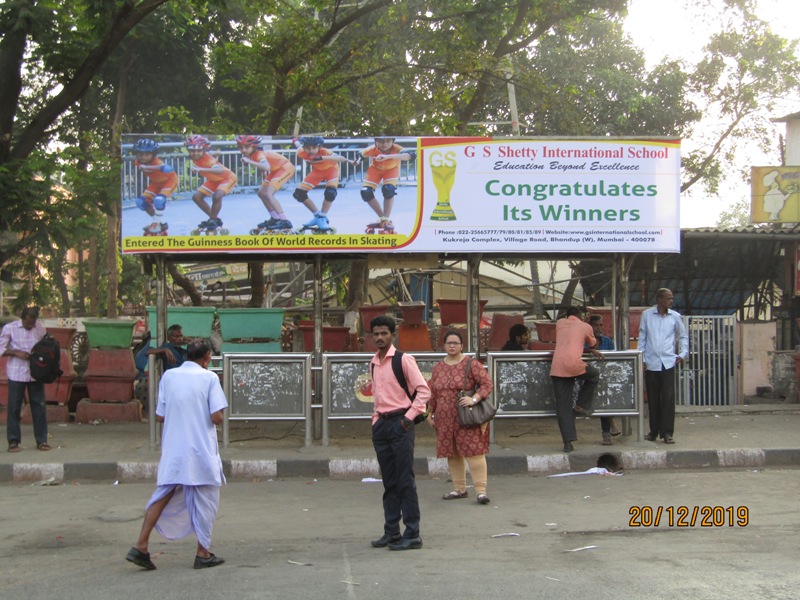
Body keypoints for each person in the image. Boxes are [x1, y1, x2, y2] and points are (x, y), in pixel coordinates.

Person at [126, 339, 227, 571]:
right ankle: (203, 552)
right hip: (200, 450)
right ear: (208, 357)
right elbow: (217, 417)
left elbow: (161, 415)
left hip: (174, 449)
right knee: (207, 499)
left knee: (161, 495)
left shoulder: (169, 377)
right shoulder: (210, 378)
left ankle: (140, 545)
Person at [368, 315, 430, 551]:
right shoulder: (373, 362)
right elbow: (377, 394)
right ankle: (391, 531)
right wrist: (375, 420)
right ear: (372, 336)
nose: (380, 337)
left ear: (392, 335)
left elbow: (424, 391)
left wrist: (407, 419)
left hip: (401, 423)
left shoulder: (404, 360)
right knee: (389, 481)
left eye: (384, 333)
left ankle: (412, 533)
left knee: (405, 480)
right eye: (376, 334)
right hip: (381, 425)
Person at [428, 330, 494, 504]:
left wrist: (474, 399)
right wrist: (430, 413)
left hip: (466, 416)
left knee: (474, 451)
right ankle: (459, 489)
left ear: (461, 345)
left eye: (455, 343)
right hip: (444, 418)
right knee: (452, 452)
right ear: (443, 345)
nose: (451, 346)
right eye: (449, 343)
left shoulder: (471, 364)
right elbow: (433, 393)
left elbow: (487, 384)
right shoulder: (438, 367)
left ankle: (481, 491)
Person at [637, 288, 689, 445]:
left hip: (668, 363)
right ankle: (653, 431)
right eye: (668, 298)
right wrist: (642, 358)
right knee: (653, 399)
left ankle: (667, 432)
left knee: (668, 398)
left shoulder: (675, 316)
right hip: (651, 363)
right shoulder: (647, 315)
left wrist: (682, 354)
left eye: (672, 298)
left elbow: (684, 336)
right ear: (659, 299)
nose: (671, 301)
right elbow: (642, 337)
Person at [550, 306, 601, 453]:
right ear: (581, 315)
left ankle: (568, 442)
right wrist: (591, 348)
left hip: (557, 367)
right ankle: (581, 404)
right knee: (594, 375)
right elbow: (593, 344)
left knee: (563, 407)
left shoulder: (560, 323)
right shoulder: (585, 326)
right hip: (574, 365)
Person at [1, 307, 49, 452]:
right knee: (15, 407)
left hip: (35, 373)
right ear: (22, 318)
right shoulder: (10, 328)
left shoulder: (40, 328)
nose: (31, 326)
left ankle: (42, 440)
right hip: (17, 373)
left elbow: (46, 347)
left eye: (33, 322)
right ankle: (13, 441)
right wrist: (16, 353)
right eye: (29, 323)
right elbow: (1, 349)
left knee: (39, 407)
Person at [293, 136, 360, 232]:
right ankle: (318, 217)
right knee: (298, 194)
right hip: (317, 171)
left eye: (314, 148)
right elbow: (298, 145)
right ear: (304, 148)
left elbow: (339, 158)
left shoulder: (324, 152)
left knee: (330, 193)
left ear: (319, 147)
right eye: (308, 148)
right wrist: (295, 140)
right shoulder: (301, 152)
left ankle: (323, 216)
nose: (311, 151)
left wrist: (320, 157)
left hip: (331, 170)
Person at [236, 135, 296, 232]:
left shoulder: (259, 154)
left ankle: (285, 221)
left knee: (268, 193)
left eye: (246, 147)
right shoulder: (252, 154)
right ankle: (275, 218)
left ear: (254, 147)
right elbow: (266, 167)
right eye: (240, 147)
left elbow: (266, 166)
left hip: (285, 168)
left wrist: (249, 162)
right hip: (275, 170)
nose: (243, 150)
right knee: (261, 192)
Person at [360, 137, 414, 233]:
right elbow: (361, 155)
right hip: (375, 170)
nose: (384, 144)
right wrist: (357, 161)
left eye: (388, 141)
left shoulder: (396, 148)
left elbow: (410, 155)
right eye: (381, 141)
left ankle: (386, 219)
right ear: (376, 142)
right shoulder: (372, 149)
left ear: (393, 141)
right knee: (366, 192)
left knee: (388, 190)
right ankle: (384, 219)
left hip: (391, 170)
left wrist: (388, 157)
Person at [185, 135, 238, 232]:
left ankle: (212, 220)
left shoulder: (209, 160)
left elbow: (219, 171)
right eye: (192, 151)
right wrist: (216, 152)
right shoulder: (198, 156)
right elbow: (209, 153)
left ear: (204, 150)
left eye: (198, 151)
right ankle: (214, 219)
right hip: (214, 180)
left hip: (227, 178)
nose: (195, 153)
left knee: (217, 196)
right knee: (196, 197)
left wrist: (199, 169)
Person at [586, 314, 621, 445]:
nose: (599, 328)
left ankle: (606, 433)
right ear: (590, 327)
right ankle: (611, 425)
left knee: (604, 394)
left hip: (605, 378)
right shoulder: (584, 341)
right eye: (596, 325)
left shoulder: (607, 341)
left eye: (601, 325)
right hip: (587, 379)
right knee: (601, 394)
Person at [132, 138, 178, 236]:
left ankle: (156, 223)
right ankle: (160, 222)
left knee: (159, 200)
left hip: (169, 181)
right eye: (140, 154)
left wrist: (148, 167)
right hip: (156, 183)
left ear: (153, 155)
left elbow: (169, 169)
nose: (143, 157)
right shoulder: (137, 162)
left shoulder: (157, 162)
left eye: (147, 154)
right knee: (140, 202)